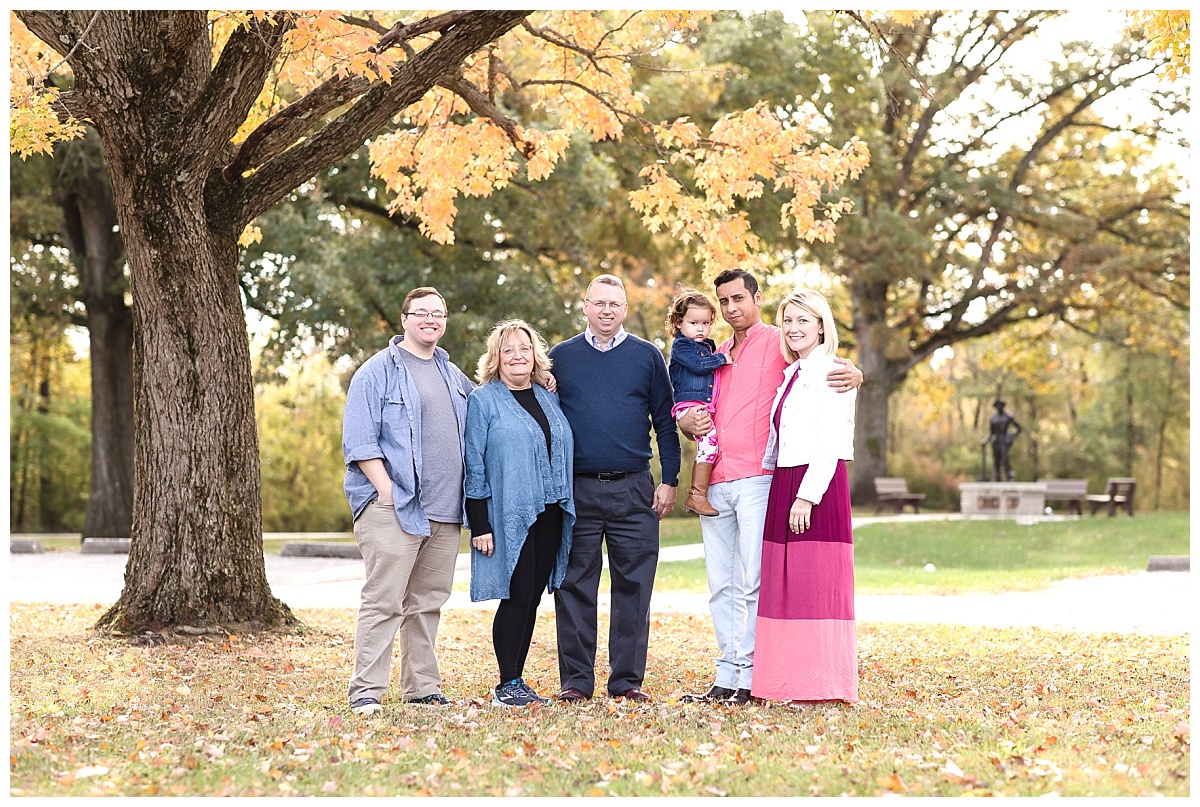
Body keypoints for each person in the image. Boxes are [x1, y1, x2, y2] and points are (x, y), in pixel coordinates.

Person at [677, 269, 862, 706]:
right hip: (714, 482)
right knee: (720, 586)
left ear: (756, 298)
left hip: (759, 480)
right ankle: (727, 674)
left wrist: (855, 373)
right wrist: (684, 419)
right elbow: (695, 407)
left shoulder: (780, 342)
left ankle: (751, 676)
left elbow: (824, 365)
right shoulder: (713, 355)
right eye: (724, 301)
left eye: (738, 298)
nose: (731, 308)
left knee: (754, 584)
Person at [549, 274, 681, 703]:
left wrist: (670, 479)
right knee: (573, 585)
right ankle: (576, 681)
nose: (607, 310)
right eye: (599, 302)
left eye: (614, 304)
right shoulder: (560, 357)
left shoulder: (646, 356)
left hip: (634, 488)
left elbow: (666, 422)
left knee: (634, 587)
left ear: (624, 309)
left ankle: (626, 682)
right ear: (585, 306)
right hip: (576, 490)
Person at [341, 287, 472, 715]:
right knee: (384, 602)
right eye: (421, 313)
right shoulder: (376, 371)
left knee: (427, 604)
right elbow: (360, 440)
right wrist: (386, 492)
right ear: (404, 319)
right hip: (395, 509)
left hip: (445, 511)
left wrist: (541, 377)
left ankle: (422, 688)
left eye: (438, 313)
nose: (430, 319)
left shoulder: (453, 375)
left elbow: (493, 405)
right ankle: (366, 692)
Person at [752, 289, 858, 704]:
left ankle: (822, 684)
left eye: (803, 320)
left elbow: (831, 442)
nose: (793, 328)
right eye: (788, 321)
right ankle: (785, 680)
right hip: (785, 479)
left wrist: (806, 497)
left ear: (821, 326)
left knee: (817, 582)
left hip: (816, 486)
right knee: (786, 583)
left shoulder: (833, 371)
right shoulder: (793, 373)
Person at [463, 320, 576, 708]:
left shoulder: (548, 396)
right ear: (496, 357)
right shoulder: (483, 400)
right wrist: (479, 522)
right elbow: (473, 462)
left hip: (551, 512)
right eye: (507, 350)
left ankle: (518, 680)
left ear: (534, 355)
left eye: (524, 348)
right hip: (510, 514)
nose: (517, 356)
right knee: (516, 594)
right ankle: (506, 683)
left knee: (531, 598)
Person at [666, 289, 732, 517]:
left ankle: (698, 494)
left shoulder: (706, 346)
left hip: (702, 404)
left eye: (705, 323)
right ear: (678, 322)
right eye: (693, 323)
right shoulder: (682, 347)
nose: (700, 329)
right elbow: (698, 366)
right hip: (690, 405)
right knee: (710, 446)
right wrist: (722, 358)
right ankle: (697, 494)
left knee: (709, 446)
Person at [982, 399, 1022, 481]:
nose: (998, 407)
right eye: (997, 405)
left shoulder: (1008, 416)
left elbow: (1018, 428)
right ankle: (997, 478)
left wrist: (1012, 436)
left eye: (1000, 405)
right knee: (996, 459)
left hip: (1004, 440)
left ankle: (1009, 476)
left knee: (1005, 458)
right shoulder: (993, 418)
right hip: (996, 440)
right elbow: (991, 432)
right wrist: (985, 440)